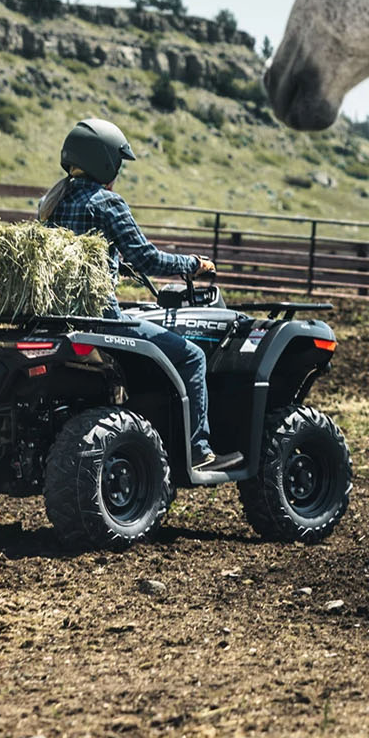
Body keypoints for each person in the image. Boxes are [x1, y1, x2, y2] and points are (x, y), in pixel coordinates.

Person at [37, 117, 242, 472]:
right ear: (105, 161)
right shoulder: (105, 203)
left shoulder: (53, 203)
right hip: (102, 318)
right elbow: (147, 257)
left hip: (56, 317)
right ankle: (199, 450)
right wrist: (193, 264)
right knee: (192, 356)